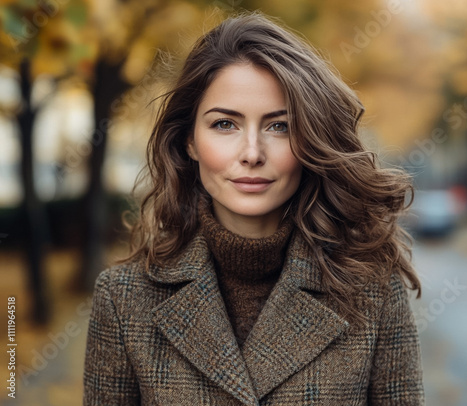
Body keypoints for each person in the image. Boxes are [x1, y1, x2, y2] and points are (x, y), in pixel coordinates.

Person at [84, 12, 424, 405]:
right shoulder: (124, 300)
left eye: (278, 126)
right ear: (189, 141)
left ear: (311, 139)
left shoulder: (373, 292)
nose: (251, 154)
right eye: (225, 124)